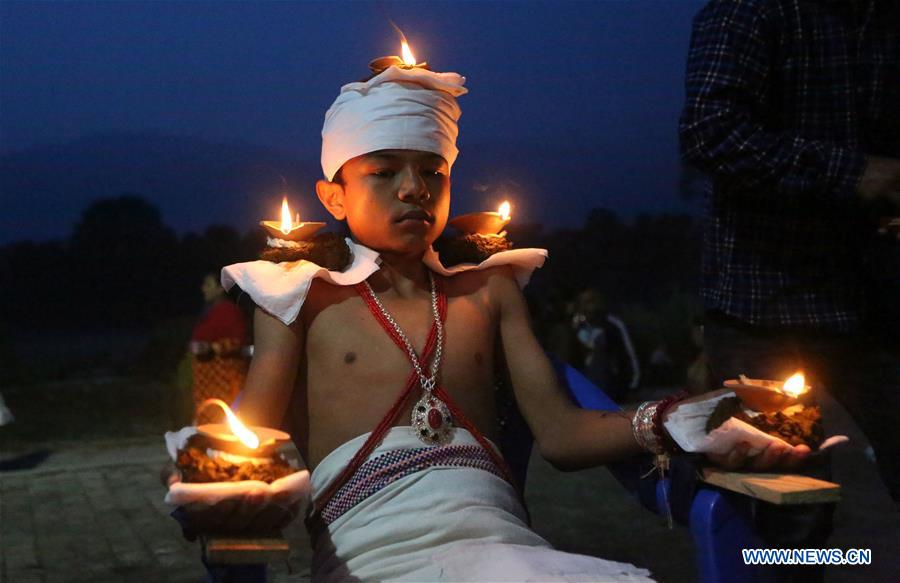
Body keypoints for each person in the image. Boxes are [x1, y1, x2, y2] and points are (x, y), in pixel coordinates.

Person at [177, 54, 808, 582]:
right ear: (334, 195)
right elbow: (250, 439)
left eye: (433, 170)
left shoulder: (489, 290)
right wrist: (209, 477)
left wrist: (682, 418)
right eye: (383, 171)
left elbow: (562, 436)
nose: (413, 188)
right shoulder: (298, 293)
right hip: (374, 551)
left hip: (504, 543)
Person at [680, 0, 900, 579]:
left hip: (876, 295)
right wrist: (852, 175)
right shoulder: (752, 10)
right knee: (790, 511)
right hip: (764, 301)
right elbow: (710, 131)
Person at [189, 273, 249, 424]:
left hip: (224, 382)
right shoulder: (209, 313)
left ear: (221, 288)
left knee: (224, 424)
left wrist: (211, 348)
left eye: (208, 285)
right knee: (209, 424)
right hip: (207, 384)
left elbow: (237, 342)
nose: (203, 289)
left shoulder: (229, 311)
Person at [572, 289, 641, 402]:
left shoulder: (612, 324)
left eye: (590, 301)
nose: (587, 306)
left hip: (610, 391)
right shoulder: (579, 327)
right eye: (583, 302)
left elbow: (629, 354)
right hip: (587, 393)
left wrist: (633, 385)